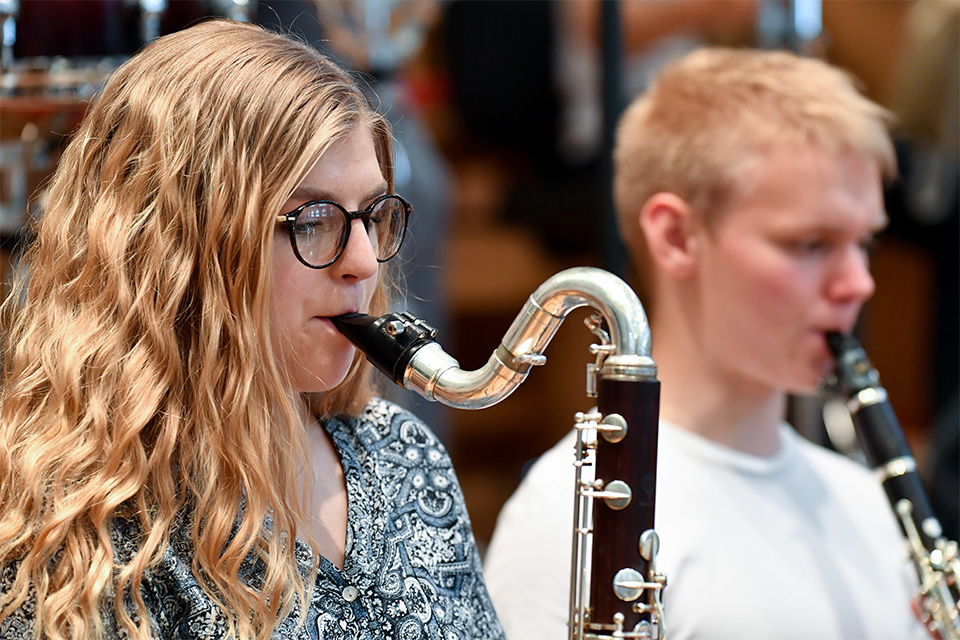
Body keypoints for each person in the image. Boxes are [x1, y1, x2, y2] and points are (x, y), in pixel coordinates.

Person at [0, 19, 504, 640]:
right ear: (183, 248)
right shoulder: (83, 520)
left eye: (373, 215)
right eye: (314, 219)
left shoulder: (405, 453)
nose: (366, 261)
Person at [483, 47, 928, 640]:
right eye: (811, 244)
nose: (859, 283)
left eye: (864, 244)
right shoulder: (575, 519)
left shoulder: (868, 506)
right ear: (677, 237)